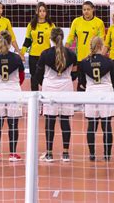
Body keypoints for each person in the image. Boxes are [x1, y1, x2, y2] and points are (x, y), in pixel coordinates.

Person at [36, 28, 77, 162]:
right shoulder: (71, 54)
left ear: (51, 38)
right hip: (66, 88)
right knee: (65, 120)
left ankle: (49, 153)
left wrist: (43, 83)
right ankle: (65, 153)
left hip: (50, 89)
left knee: (50, 121)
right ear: (63, 37)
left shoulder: (45, 54)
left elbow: (37, 75)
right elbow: (75, 74)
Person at [0, 31, 25, 162]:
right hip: (13, 91)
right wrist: (15, 85)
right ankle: (13, 154)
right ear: (10, 43)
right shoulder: (17, 58)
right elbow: (22, 76)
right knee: (13, 124)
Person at [80, 37, 114, 162]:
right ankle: (107, 155)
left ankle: (92, 154)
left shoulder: (84, 62)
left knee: (91, 125)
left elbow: (81, 82)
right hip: (106, 93)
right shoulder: (109, 61)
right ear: (101, 46)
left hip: (91, 93)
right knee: (106, 126)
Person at [66, 1, 105, 92]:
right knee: (81, 82)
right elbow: (70, 37)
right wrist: (65, 49)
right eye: (84, 10)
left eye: (88, 9)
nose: (86, 11)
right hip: (80, 58)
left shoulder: (99, 23)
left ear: (93, 9)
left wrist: (100, 55)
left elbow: (101, 41)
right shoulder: (76, 21)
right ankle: (80, 104)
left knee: (93, 82)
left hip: (93, 58)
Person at [21, 2, 55, 91]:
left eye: (44, 11)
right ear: (36, 12)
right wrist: (22, 53)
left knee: (46, 78)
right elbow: (27, 41)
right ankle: (34, 99)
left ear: (46, 12)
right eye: (40, 11)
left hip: (46, 55)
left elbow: (55, 41)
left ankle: (45, 98)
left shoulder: (51, 25)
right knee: (34, 78)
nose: (42, 13)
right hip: (33, 55)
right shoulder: (31, 25)